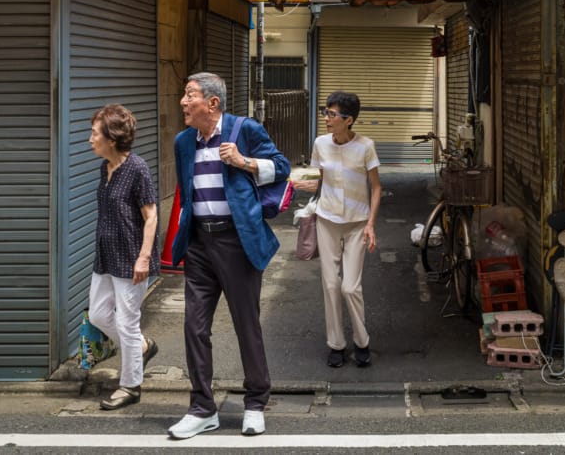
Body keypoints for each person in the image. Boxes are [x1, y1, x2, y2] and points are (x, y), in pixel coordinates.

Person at [166, 72, 290, 440]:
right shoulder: (183, 142)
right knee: (194, 326)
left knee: (245, 324)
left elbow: (281, 168)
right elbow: (186, 193)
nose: (184, 102)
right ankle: (203, 408)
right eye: (185, 96)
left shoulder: (244, 130)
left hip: (237, 242)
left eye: (190, 96)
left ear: (213, 103)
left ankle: (255, 403)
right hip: (200, 244)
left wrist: (244, 161)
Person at [87, 104, 160, 411]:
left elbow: (152, 216)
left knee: (128, 324)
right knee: (98, 315)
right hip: (105, 255)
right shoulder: (105, 167)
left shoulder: (137, 168)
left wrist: (144, 258)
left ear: (112, 139)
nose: (90, 139)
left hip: (131, 257)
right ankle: (142, 347)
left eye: (94, 133)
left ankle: (130, 385)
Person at [309, 91, 382, 369]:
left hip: (357, 224)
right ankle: (336, 345)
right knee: (330, 285)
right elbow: (319, 179)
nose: (326, 118)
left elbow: (376, 187)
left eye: (332, 114)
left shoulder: (365, 146)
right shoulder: (320, 144)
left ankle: (362, 341)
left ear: (348, 120)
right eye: (325, 112)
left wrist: (371, 225)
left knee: (350, 287)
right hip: (326, 221)